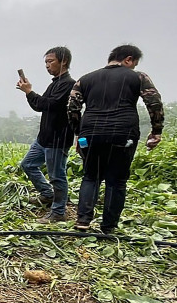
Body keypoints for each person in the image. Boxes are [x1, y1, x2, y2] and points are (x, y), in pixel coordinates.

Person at [67, 44, 164, 233]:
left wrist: (79, 133)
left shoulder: (85, 79)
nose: (133, 67)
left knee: (91, 177)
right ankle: (108, 227)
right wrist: (156, 130)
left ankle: (83, 220)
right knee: (116, 180)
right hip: (123, 134)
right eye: (133, 64)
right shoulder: (138, 77)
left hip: (90, 134)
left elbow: (72, 107)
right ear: (128, 59)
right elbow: (154, 102)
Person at [16, 47, 75, 223]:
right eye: (46, 63)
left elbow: (47, 104)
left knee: (57, 176)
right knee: (28, 164)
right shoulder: (55, 83)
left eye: (50, 61)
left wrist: (29, 91)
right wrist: (29, 93)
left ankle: (58, 212)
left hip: (58, 139)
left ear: (63, 61)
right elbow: (39, 105)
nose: (47, 66)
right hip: (44, 138)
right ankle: (47, 195)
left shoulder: (68, 84)